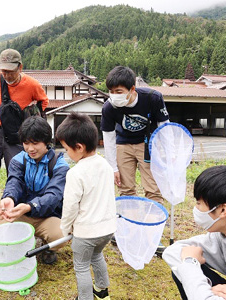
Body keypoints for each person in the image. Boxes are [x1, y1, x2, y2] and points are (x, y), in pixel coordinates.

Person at [0, 48, 49, 236]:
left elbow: (43, 101)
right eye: (3, 70)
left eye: (10, 70)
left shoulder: (31, 84)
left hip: (16, 136)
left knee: (17, 177)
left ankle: (15, 217)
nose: (6, 74)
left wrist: (30, 118)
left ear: (20, 67)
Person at [56, 112, 117, 300]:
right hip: (107, 229)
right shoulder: (105, 165)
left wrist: (65, 229)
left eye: (66, 149)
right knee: (97, 256)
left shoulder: (76, 173)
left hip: (86, 233)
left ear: (79, 147)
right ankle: (102, 291)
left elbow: (70, 207)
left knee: (81, 266)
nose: (66, 153)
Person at [0, 116, 69, 264]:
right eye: (26, 143)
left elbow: (54, 195)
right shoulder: (18, 160)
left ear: (47, 142)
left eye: (35, 143)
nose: (30, 148)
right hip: (22, 212)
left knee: (61, 235)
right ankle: (20, 246)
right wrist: (9, 198)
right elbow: (14, 182)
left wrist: (30, 206)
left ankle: (48, 248)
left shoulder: (60, 164)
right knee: (2, 230)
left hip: (49, 216)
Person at [100, 66, 169, 203]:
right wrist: (112, 168)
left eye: (119, 91)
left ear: (132, 89)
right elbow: (108, 138)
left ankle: (153, 220)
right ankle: (129, 220)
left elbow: (165, 127)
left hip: (148, 144)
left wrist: (168, 155)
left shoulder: (152, 98)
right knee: (125, 189)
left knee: (153, 188)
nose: (114, 95)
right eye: (111, 91)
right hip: (123, 144)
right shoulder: (109, 107)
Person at [163, 165, 226, 300]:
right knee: (182, 267)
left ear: (222, 210)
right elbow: (173, 252)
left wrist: (190, 263)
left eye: (199, 203)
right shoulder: (220, 235)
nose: (196, 209)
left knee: (187, 268)